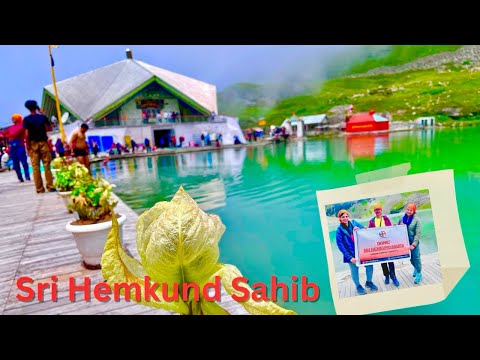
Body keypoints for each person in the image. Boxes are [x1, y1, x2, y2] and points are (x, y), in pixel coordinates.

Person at [336, 209, 378, 295]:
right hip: (350, 254)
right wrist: (350, 257)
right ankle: (358, 286)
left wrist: (359, 229)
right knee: (354, 271)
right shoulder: (339, 231)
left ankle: (369, 282)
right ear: (339, 218)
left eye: (346, 216)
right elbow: (341, 246)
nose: (345, 218)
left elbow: (365, 230)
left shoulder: (354, 223)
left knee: (369, 266)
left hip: (362, 251)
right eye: (343, 217)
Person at [22, 100, 55, 193]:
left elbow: (26, 135)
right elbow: (49, 128)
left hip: (33, 144)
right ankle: (50, 186)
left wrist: (27, 147)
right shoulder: (42, 117)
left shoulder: (26, 119)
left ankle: (39, 189)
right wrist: (43, 114)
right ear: (36, 107)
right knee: (47, 165)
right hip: (43, 142)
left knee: (35, 167)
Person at [368, 204, 400, 287]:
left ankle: (394, 277)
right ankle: (386, 276)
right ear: (374, 211)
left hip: (388, 244)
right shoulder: (372, 221)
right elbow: (370, 233)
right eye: (376, 210)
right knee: (383, 262)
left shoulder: (386, 219)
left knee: (390, 261)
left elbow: (391, 229)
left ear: (381, 210)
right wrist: (365, 230)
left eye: (379, 210)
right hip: (379, 246)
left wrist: (395, 227)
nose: (378, 211)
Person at [1, 113, 31, 182]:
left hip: (19, 146)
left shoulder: (21, 126)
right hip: (13, 147)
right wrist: (4, 135)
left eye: (13, 118)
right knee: (15, 164)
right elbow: (4, 133)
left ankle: (27, 177)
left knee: (24, 162)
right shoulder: (11, 127)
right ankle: (20, 178)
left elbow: (14, 134)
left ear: (17, 118)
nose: (12, 119)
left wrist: (6, 136)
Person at [398, 203, 423, 284]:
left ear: (414, 211)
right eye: (408, 209)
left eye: (411, 210)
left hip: (413, 242)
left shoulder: (417, 220)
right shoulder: (402, 219)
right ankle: (415, 267)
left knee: (416, 258)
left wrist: (414, 244)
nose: (409, 211)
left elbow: (418, 233)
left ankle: (419, 273)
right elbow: (398, 228)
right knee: (410, 258)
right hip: (405, 242)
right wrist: (395, 226)